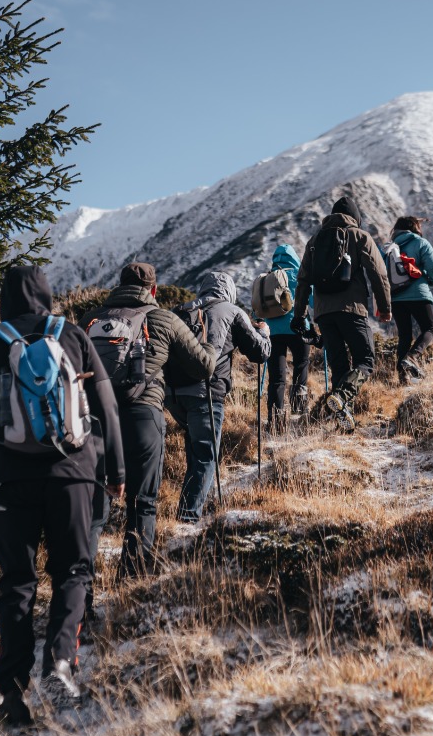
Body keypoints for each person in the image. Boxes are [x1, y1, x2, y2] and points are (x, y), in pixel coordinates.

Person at [0, 265, 124, 727]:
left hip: (9, 481)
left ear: (4, 300)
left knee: (17, 583)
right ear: (47, 295)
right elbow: (107, 405)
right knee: (74, 572)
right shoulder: (73, 336)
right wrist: (117, 470)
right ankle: (60, 664)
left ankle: (13, 698)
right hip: (74, 474)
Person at [83, 262, 213, 577]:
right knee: (142, 503)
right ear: (153, 290)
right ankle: (131, 582)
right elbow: (204, 367)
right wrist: (207, 337)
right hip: (142, 415)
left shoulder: (90, 318)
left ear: (119, 286)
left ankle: (78, 590)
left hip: (94, 419)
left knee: (93, 508)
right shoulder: (162, 318)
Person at [170, 271, 271, 522]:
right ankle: (187, 518)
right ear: (229, 291)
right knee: (206, 455)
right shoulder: (232, 311)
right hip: (206, 393)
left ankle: (187, 509)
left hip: (173, 395)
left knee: (195, 452)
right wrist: (265, 333)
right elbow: (260, 353)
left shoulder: (181, 310)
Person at [291, 196, 391, 428]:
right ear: (355, 217)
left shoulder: (314, 241)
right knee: (365, 360)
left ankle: (344, 421)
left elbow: (303, 281)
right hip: (352, 309)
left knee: (339, 366)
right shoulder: (359, 236)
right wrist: (384, 307)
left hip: (324, 314)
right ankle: (344, 397)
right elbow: (378, 273)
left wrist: (299, 315)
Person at [385, 215, 433, 383]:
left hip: (395, 298)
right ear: (415, 228)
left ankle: (403, 377)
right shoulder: (421, 243)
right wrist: (431, 280)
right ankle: (412, 357)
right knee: (430, 328)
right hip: (418, 294)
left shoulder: (389, 248)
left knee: (404, 335)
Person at [263, 243, 314, 430]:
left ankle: (275, 421)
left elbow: (257, 310)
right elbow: (314, 300)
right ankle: (299, 408)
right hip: (299, 329)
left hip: (273, 333)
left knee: (277, 377)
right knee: (301, 364)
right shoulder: (299, 276)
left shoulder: (268, 278)